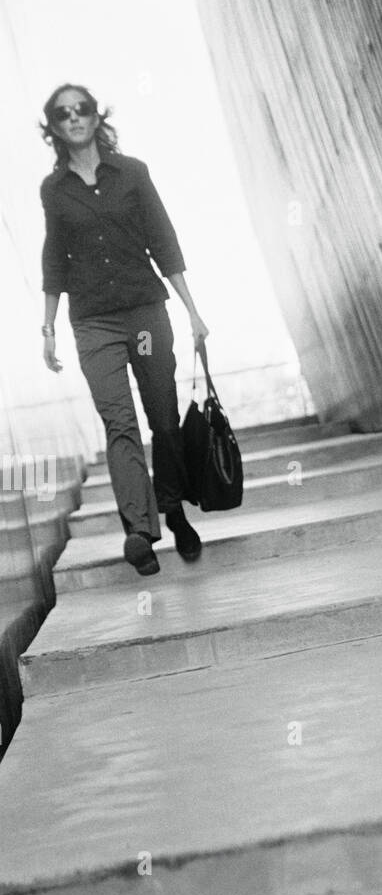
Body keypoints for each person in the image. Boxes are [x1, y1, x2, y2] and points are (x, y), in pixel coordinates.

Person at [39, 83, 208, 576]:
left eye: (82, 109)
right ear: (53, 126)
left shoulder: (133, 173)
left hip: (144, 314)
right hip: (93, 321)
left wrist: (193, 311)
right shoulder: (53, 190)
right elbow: (54, 257)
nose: (74, 118)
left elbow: (163, 239)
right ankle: (140, 530)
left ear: (96, 117)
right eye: (63, 113)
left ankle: (173, 507)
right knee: (120, 424)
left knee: (163, 418)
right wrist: (47, 325)